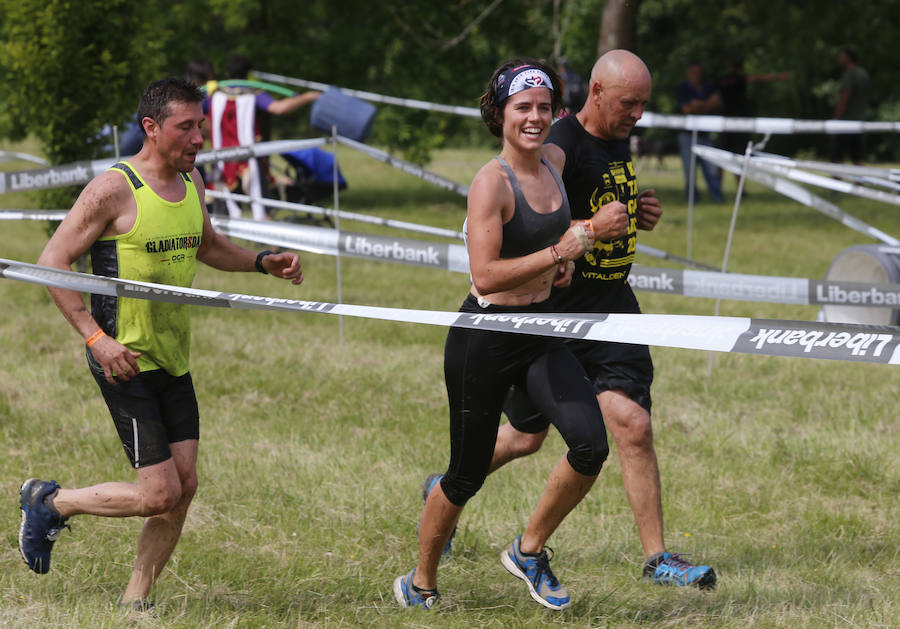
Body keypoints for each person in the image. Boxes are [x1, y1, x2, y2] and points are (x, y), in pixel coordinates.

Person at [19, 77, 304, 609]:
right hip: (121, 357)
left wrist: (263, 261)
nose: (199, 138)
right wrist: (96, 339)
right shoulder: (112, 188)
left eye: (200, 125)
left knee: (185, 483)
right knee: (159, 492)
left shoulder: (191, 183)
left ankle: (136, 603)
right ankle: (52, 502)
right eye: (186, 127)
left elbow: (209, 245)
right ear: (151, 128)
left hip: (173, 356)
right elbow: (51, 265)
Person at [485, 49, 716, 589]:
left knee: (634, 427)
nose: (637, 114)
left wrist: (638, 211)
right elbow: (536, 218)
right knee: (524, 437)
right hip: (558, 315)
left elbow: (603, 200)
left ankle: (658, 559)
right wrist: (593, 224)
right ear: (596, 93)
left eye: (642, 105)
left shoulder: (617, 134)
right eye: (628, 103)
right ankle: (448, 485)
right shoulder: (561, 143)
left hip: (614, 306)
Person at [394, 59, 612, 611]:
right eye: (523, 108)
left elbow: (550, 239)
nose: (535, 118)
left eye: (543, 107)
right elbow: (486, 273)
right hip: (484, 336)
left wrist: (557, 266)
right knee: (465, 475)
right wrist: (568, 248)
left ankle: (529, 549)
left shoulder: (555, 166)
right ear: (500, 115)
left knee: (590, 444)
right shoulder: (491, 182)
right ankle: (419, 583)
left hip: (540, 329)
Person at [206, 53, 321, 219]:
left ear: (228, 74)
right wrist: (307, 97)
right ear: (247, 74)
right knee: (262, 211)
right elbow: (278, 108)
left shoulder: (213, 95)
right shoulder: (254, 94)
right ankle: (271, 245)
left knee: (224, 217)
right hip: (249, 161)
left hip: (222, 162)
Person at [676, 61, 724, 203]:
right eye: (694, 72)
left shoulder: (707, 87)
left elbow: (718, 103)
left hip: (705, 135)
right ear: (688, 73)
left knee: (711, 169)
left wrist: (697, 105)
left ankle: (717, 199)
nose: (697, 75)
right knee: (690, 171)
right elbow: (687, 110)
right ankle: (692, 200)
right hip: (687, 136)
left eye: (699, 73)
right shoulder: (683, 88)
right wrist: (707, 104)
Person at [830, 46, 871, 165]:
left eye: (841, 56)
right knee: (857, 157)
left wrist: (836, 119)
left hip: (846, 122)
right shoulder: (864, 74)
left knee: (837, 157)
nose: (839, 58)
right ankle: (859, 183)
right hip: (860, 120)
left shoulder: (849, 75)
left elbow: (844, 98)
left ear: (847, 58)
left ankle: (836, 184)